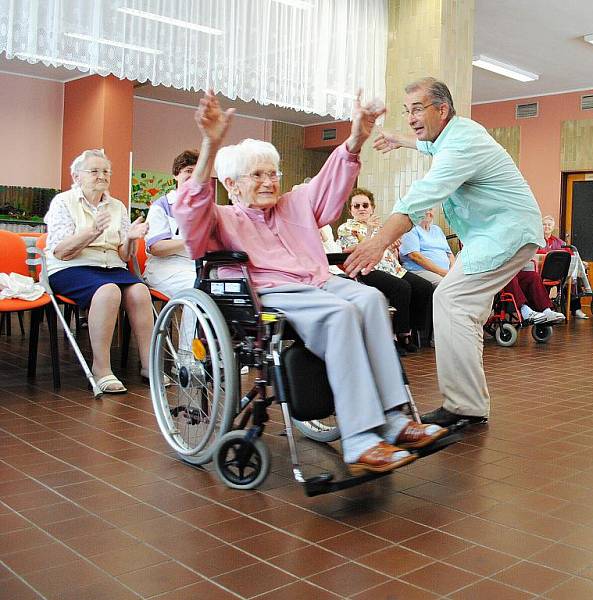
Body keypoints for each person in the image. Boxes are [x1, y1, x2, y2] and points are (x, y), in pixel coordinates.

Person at [173, 90, 445, 475]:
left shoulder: (295, 202)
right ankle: (360, 440)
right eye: (258, 175)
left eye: (272, 173)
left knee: (369, 300)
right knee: (339, 315)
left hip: (319, 280)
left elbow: (330, 183)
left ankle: (395, 419)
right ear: (232, 184)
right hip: (272, 291)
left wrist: (357, 137)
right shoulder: (221, 217)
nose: (269, 182)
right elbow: (190, 212)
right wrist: (210, 143)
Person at [344, 77, 544, 428]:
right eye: (407, 111)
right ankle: (469, 402)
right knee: (461, 309)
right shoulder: (451, 135)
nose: (411, 117)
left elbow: (420, 197)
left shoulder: (461, 144)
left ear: (442, 109)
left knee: (451, 301)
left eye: (418, 109)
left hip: (505, 233)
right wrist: (401, 140)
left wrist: (376, 242)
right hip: (494, 234)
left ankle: (464, 406)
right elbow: (430, 147)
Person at [43, 149, 154, 393]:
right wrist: (91, 231)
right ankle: (101, 369)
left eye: (105, 171)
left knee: (140, 292)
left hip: (112, 266)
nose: (101, 176)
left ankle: (148, 364)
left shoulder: (117, 206)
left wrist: (132, 239)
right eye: (94, 171)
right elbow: (61, 252)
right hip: (71, 267)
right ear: (76, 177)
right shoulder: (63, 202)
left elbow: (125, 256)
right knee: (108, 292)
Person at [337, 188, 434, 355]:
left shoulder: (381, 227)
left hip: (392, 268)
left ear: (372, 208)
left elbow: (388, 249)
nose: (361, 208)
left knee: (424, 287)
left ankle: (408, 331)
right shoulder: (345, 228)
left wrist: (393, 246)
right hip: (366, 268)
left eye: (365, 205)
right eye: (356, 206)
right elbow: (351, 250)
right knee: (401, 287)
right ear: (351, 209)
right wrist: (368, 231)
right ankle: (395, 337)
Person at [142, 150, 199, 298]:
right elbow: (156, 247)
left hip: (195, 266)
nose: (193, 176)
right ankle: (189, 323)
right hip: (165, 267)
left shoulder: (205, 209)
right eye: (188, 171)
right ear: (176, 174)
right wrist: (189, 241)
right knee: (197, 290)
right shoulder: (161, 206)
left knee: (225, 287)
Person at [541, 215, 589, 319]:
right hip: (542, 274)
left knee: (572, 282)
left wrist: (581, 262)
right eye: (544, 224)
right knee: (541, 285)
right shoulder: (537, 241)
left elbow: (571, 255)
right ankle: (544, 309)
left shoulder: (560, 243)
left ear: (553, 227)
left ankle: (576, 309)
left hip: (559, 274)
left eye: (549, 225)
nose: (546, 227)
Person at [398, 208, 454, 286]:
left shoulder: (437, 230)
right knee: (447, 286)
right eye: (424, 210)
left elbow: (449, 254)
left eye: (430, 209)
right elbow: (415, 256)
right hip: (421, 270)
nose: (428, 212)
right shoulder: (410, 229)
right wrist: (444, 273)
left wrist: (453, 272)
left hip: (445, 273)